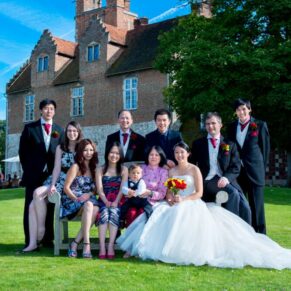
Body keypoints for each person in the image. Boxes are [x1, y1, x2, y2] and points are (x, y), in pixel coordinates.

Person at [135, 142, 291, 269]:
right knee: (163, 213)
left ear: (188, 154)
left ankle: (183, 251)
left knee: (181, 214)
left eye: (182, 152)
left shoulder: (194, 169)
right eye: (176, 153)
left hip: (191, 202)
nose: (179, 155)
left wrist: (184, 200)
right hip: (176, 202)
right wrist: (171, 199)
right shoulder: (172, 171)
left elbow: (199, 193)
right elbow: (168, 192)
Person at [21, 121, 83, 253]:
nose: (72, 133)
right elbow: (56, 168)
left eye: (74, 131)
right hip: (57, 180)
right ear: (66, 133)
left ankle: (41, 231)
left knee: (33, 203)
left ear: (78, 133)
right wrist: (53, 185)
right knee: (36, 197)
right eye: (69, 131)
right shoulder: (61, 147)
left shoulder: (82, 148)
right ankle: (34, 241)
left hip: (72, 183)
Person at [191, 112, 251, 224]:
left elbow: (236, 166)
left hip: (226, 180)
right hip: (207, 180)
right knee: (232, 193)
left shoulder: (230, 144)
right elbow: (192, 164)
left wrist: (226, 178)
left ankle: (245, 233)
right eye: (207, 124)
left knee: (245, 207)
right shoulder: (198, 144)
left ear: (220, 125)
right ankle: (231, 226)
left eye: (213, 123)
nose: (210, 126)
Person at [19, 98, 63, 247]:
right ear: (40, 110)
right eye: (45, 108)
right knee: (30, 207)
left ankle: (47, 239)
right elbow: (22, 153)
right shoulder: (30, 128)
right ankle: (30, 240)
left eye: (51, 108)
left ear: (54, 111)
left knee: (50, 206)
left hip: (51, 176)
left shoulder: (59, 130)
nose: (48, 111)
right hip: (33, 175)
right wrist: (30, 170)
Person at [117, 145, 168, 257]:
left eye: (156, 155)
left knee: (143, 214)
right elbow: (130, 182)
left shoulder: (163, 172)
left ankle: (141, 246)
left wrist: (150, 193)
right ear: (147, 156)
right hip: (135, 199)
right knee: (131, 213)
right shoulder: (140, 169)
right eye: (151, 154)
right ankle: (130, 247)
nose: (153, 157)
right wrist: (130, 192)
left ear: (161, 157)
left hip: (152, 202)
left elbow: (163, 192)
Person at [228, 98, 270, 234]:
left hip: (255, 172)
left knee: (257, 207)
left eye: (244, 109)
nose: (241, 112)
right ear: (235, 112)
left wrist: (261, 170)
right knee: (242, 205)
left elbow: (265, 150)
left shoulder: (260, 125)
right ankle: (244, 234)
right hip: (238, 173)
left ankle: (261, 236)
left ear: (249, 109)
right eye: (239, 109)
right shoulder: (232, 127)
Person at [63, 139, 99, 259]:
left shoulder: (95, 169)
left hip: (89, 202)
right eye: (85, 150)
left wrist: (89, 194)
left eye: (91, 150)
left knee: (95, 208)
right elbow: (66, 188)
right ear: (80, 152)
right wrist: (77, 199)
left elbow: (96, 189)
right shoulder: (75, 167)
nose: (89, 152)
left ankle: (74, 243)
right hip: (73, 201)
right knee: (90, 206)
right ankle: (86, 244)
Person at [96, 141, 128, 259]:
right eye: (111, 153)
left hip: (118, 200)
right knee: (103, 213)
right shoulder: (100, 169)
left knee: (114, 213)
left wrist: (115, 202)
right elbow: (99, 189)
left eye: (117, 153)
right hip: (103, 199)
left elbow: (122, 189)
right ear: (107, 154)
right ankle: (102, 246)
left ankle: (110, 246)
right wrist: (105, 201)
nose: (114, 155)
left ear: (120, 155)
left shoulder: (124, 170)